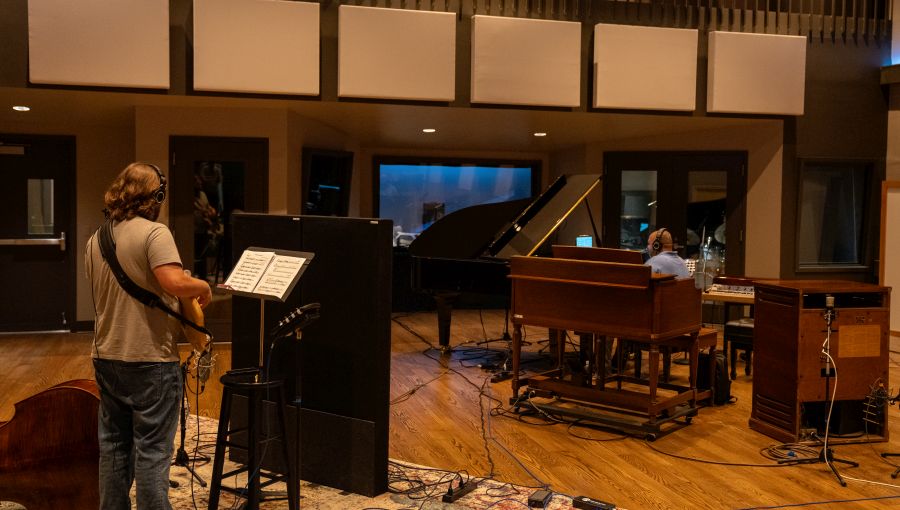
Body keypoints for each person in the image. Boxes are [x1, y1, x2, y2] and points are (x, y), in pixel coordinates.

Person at [86, 162, 212, 510]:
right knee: (153, 453)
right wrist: (203, 285)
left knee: (113, 447)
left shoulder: (96, 238)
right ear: (157, 195)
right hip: (150, 360)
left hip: (106, 357)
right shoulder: (155, 234)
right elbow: (174, 283)